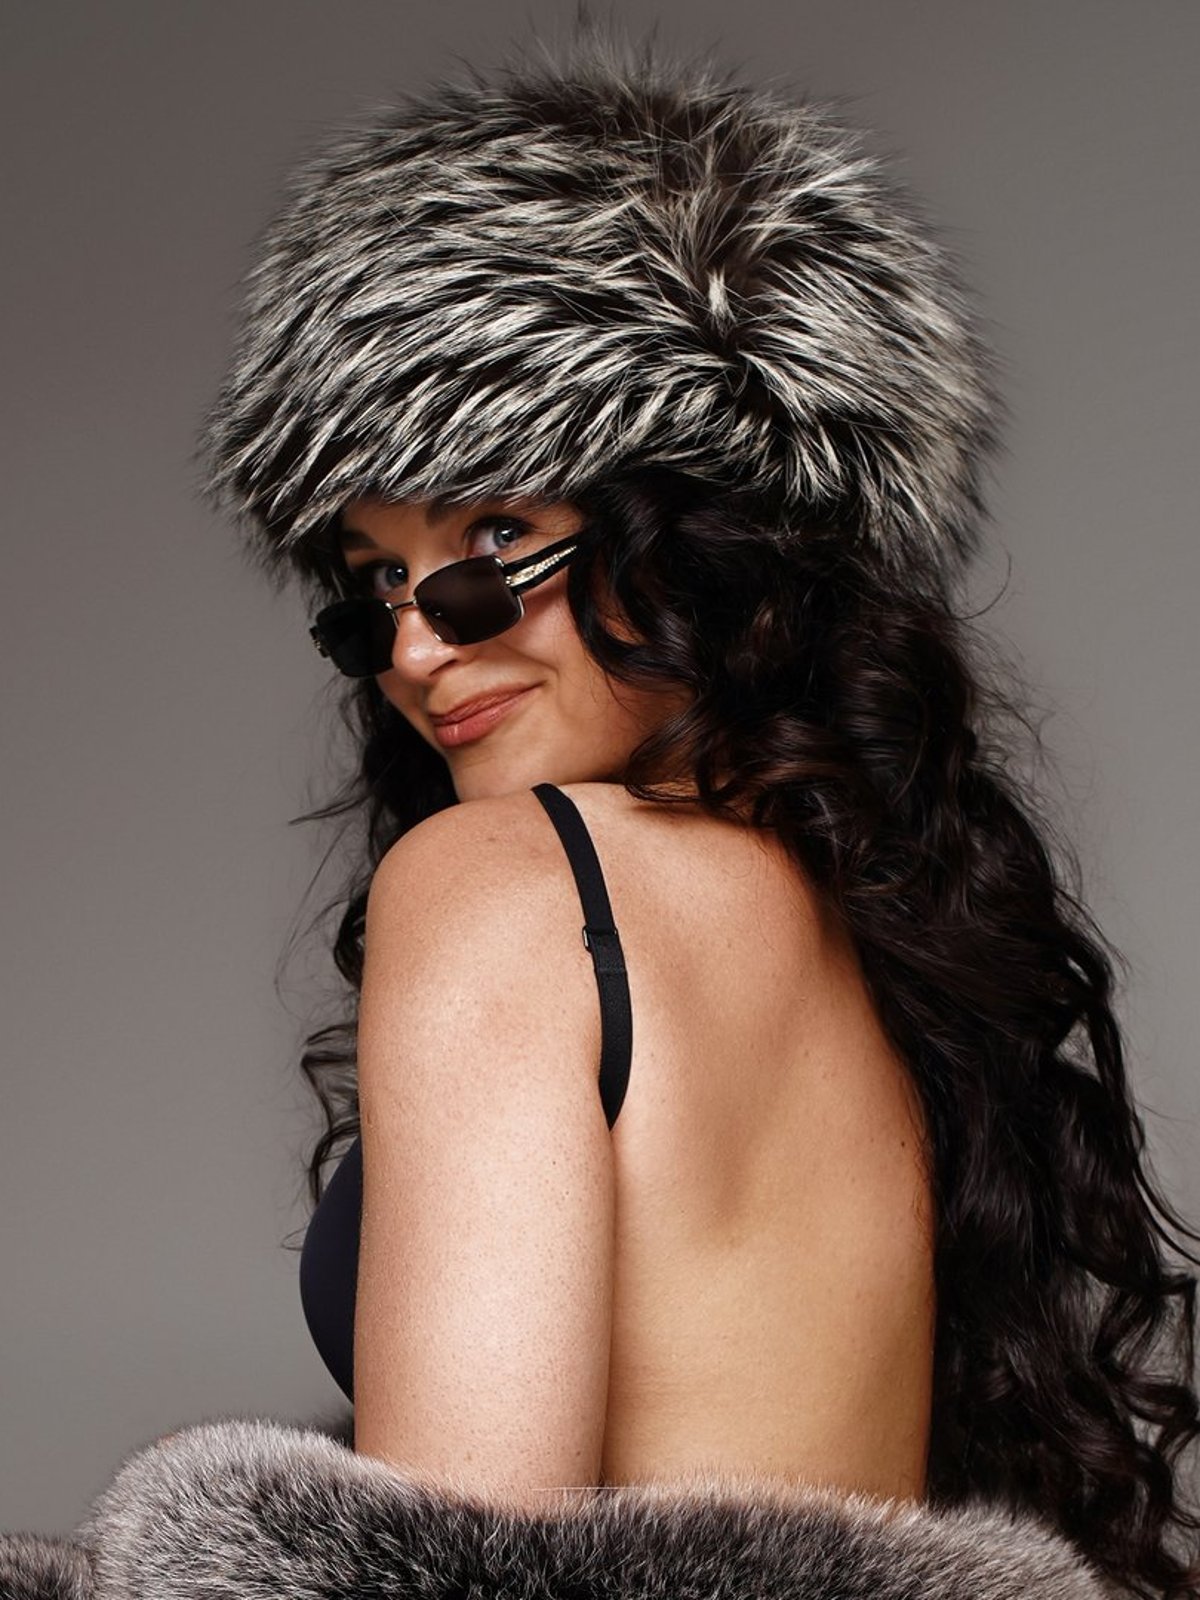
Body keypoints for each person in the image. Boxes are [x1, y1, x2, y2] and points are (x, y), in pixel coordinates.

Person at [2, 21, 1194, 1600]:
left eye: (493, 544)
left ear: (694, 533)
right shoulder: (865, 946)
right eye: (374, 588)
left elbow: (440, 1579)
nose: (417, 649)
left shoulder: (508, 886)